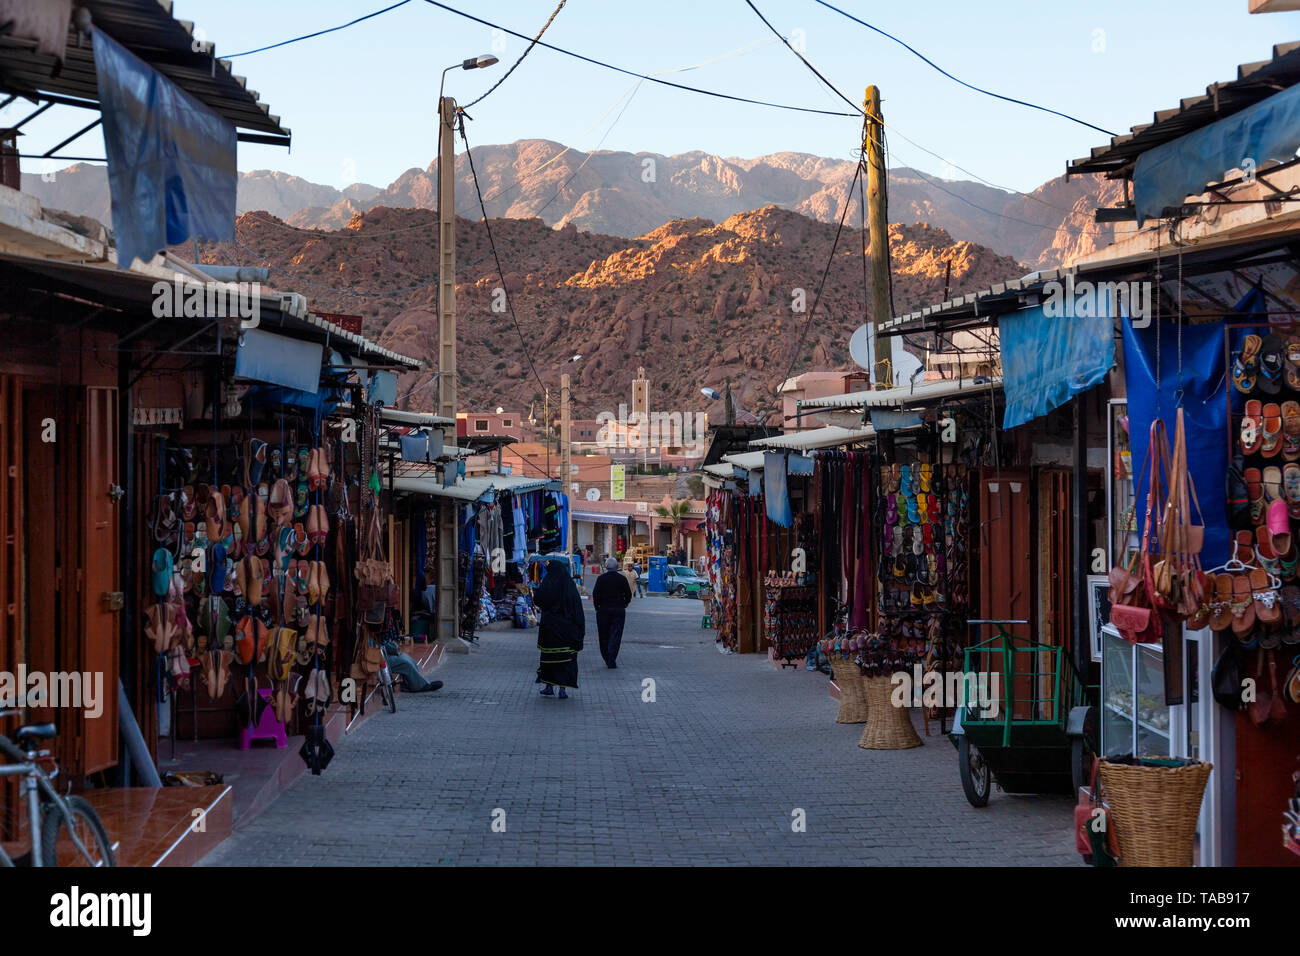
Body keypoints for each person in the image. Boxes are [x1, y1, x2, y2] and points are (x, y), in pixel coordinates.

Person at [534, 556, 585, 698]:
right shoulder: (570, 587)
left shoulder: (548, 583)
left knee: (549, 659)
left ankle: (549, 686)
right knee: (565, 660)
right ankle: (563, 690)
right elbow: (578, 611)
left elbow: (538, 599)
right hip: (567, 633)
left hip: (550, 630)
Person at [591, 557, 632, 668]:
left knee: (603, 634)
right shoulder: (621, 579)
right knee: (616, 634)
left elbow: (595, 595)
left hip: (603, 610)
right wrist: (624, 603)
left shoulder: (601, 579)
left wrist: (597, 607)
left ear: (605, 566)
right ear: (617, 566)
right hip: (618, 609)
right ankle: (612, 657)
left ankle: (606, 656)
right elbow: (628, 594)